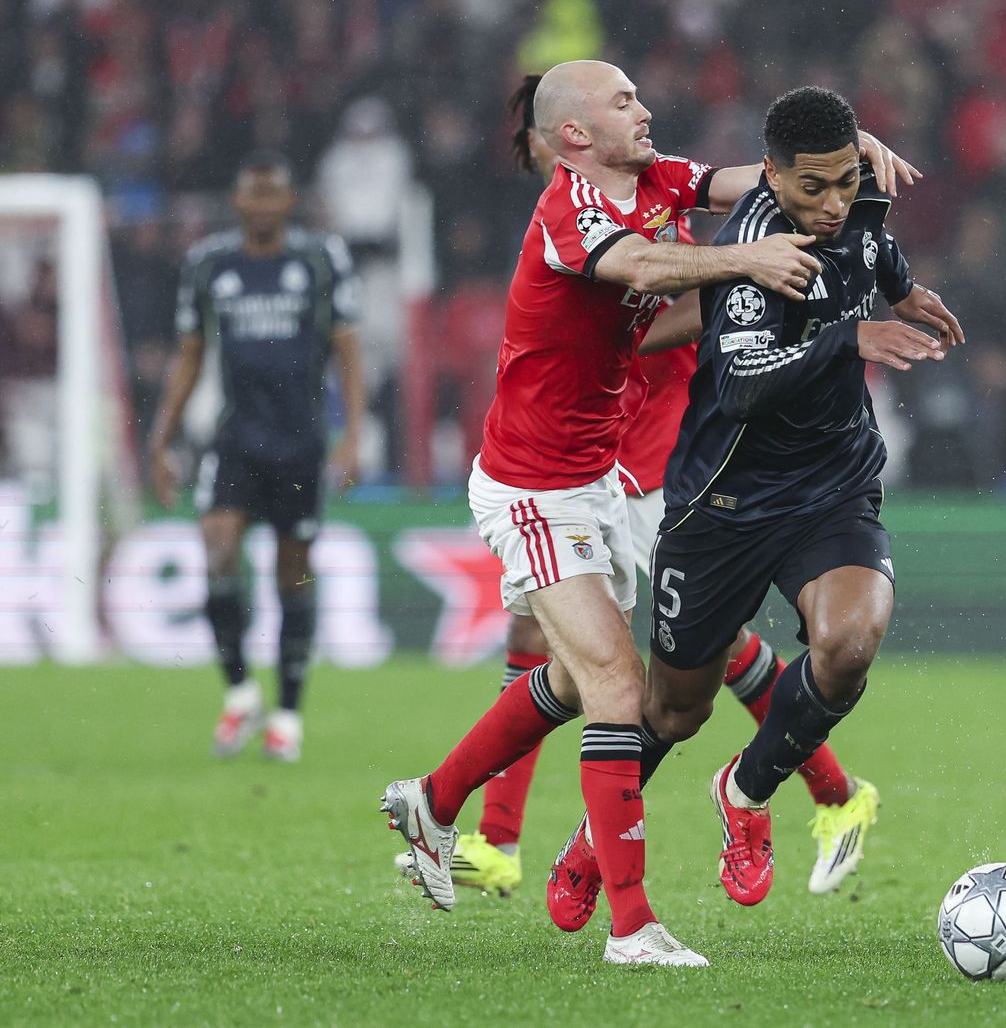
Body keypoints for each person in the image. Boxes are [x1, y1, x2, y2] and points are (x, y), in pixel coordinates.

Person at [379, 60, 917, 968]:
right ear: (578, 134)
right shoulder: (572, 210)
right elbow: (636, 264)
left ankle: (435, 800)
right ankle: (632, 927)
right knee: (622, 690)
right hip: (533, 483)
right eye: (625, 101)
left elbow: (740, 180)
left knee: (581, 679)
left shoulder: (653, 179)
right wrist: (745, 256)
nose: (648, 109)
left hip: (599, 477)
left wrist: (838, 159)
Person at [542, 84, 960, 923]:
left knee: (850, 644)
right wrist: (850, 339)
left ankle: (746, 791)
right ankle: (591, 840)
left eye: (845, 181)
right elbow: (740, 386)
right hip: (722, 506)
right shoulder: (752, 249)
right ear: (771, 176)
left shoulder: (858, 196)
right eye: (814, 187)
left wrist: (904, 291)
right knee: (672, 709)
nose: (835, 202)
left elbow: (874, 246)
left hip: (833, 487)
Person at [147, 150, 365, 764]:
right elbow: (190, 353)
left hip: (300, 444)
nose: (263, 204)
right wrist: (161, 437)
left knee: (291, 571)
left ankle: (288, 714)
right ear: (239, 202)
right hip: (236, 439)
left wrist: (352, 436)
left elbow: (348, 350)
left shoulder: (319, 262)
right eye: (253, 194)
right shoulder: (210, 264)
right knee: (216, 547)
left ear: (288, 202)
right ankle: (241, 692)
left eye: (273, 194)